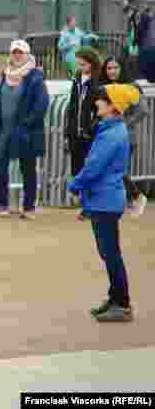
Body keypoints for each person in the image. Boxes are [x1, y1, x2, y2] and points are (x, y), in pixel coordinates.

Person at [69, 83, 139, 323]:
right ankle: (116, 298)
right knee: (109, 252)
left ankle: (122, 302)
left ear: (112, 107)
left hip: (105, 200)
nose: (96, 103)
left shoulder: (111, 134)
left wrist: (74, 185)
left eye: (101, 100)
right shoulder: (111, 130)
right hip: (105, 199)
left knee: (110, 253)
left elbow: (93, 167)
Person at [0, 39, 50, 218]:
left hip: (24, 131)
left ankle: (29, 207)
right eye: (14, 52)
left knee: (27, 168)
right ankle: (1, 204)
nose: (16, 55)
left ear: (27, 54)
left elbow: (42, 104)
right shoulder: (5, 75)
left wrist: (27, 122)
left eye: (20, 52)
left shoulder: (35, 77)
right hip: (4, 129)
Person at [98, 57, 147, 218]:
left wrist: (124, 124)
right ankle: (125, 201)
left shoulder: (132, 87)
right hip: (106, 136)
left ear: (122, 68)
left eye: (115, 68)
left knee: (116, 168)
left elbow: (143, 110)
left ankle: (135, 196)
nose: (112, 71)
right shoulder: (103, 87)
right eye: (109, 68)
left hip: (125, 137)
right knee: (111, 168)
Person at [66, 47, 103, 177]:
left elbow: (100, 109)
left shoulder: (98, 81)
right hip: (75, 133)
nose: (80, 67)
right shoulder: (76, 80)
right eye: (78, 64)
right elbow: (72, 107)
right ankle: (78, 197)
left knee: (93, 169)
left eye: (83, 64)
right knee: (76, 171)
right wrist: (68, 132)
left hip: (90, 133)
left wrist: (92, 126)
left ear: (92, 64)